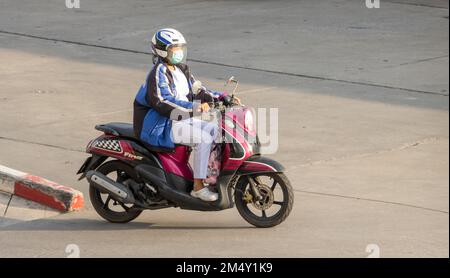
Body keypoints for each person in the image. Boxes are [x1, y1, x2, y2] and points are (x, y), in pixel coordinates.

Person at [133, 28, 239, 202]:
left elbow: (199, 90)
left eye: (180, 47)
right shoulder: (158, 72)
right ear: (162, 50)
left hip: (176, 119)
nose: (179, 52)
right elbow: (163, 101)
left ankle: (210, 177)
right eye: (174, 48)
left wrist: (222, 97)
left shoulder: (181, 69)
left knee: (214, 130)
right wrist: (195, 107)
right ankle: (198, 188)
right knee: (203, 137)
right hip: (159, 125)